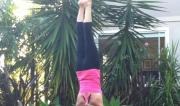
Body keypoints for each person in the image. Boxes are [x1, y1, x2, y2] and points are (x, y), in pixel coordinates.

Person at [76, 0, 103, 106]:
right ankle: (81, 7)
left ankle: (88, 5)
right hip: (80, 73)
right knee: (81, 37)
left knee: (87, 35)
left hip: (92, 70)